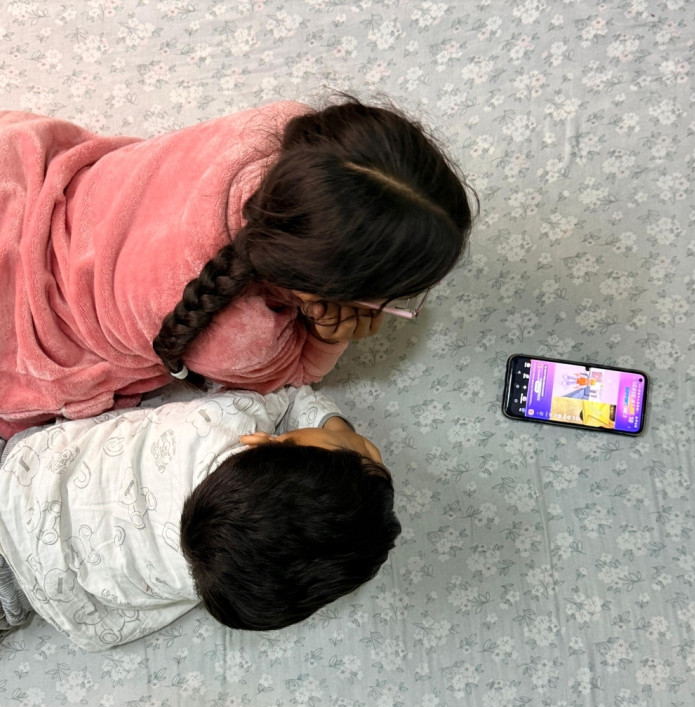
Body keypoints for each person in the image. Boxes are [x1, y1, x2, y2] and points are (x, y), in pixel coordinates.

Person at [0, 97, 476, 439]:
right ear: (317, 291)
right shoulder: (238, 334)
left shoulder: (278, 122)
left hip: (24, 179)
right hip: (23, 328)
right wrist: (329, 335)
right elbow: (297, 373)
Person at [0, 386, 400, 651]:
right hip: (32, 591)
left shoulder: (225, 421)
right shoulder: (224, 577)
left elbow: (295, 396)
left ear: (262, 442)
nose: (368, 449)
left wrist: (336, 426)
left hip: (22, 474)